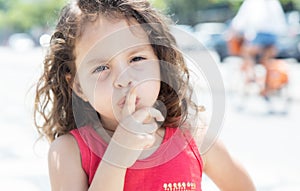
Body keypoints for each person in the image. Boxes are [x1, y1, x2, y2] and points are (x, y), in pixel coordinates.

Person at [34, 0, 256, 190]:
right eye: (101, 68)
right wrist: (117, 156)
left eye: (136, 59)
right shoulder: (69, 152)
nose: (124, 79)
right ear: (78, 86)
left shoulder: (194, 137)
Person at [230, 0, 288, 96]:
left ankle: (251, 74)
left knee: (247, 52)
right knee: (266, 60)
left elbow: (241, 20)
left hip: (260, 35)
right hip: (274, 38)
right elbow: (282, 23)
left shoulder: (252, 2)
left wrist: (234, 30)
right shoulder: (274, 2)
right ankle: (266, 86)